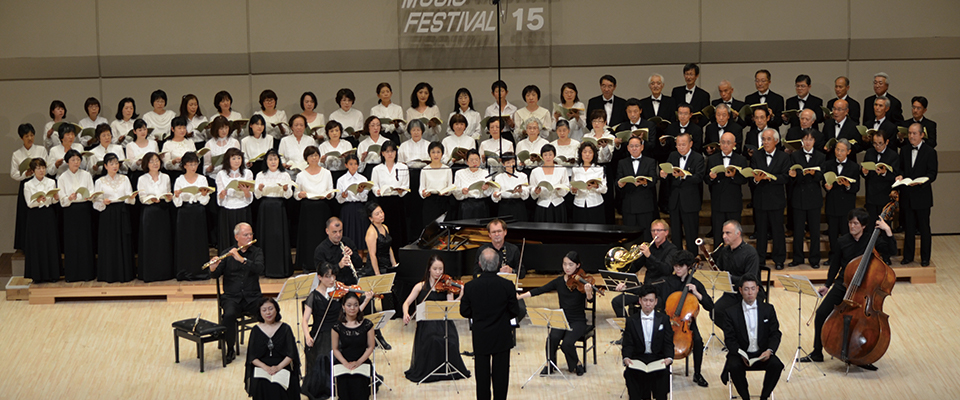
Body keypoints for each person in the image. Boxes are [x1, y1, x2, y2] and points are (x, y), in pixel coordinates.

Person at [801, 208, 896, 370]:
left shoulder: (872, 240)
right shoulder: (842, 241)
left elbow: (892, 251)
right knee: (821, 313)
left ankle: (863, 356)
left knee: (863, 322)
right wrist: (827, 284)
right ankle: (817, 352)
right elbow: (836, 264)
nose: (852, 226)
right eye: (850, 223)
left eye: (855, 223)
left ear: (864, 226)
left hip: (865, 288)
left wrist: (887, 230)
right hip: (844, 284)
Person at [302, 262, 373, 399]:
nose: (332, 280)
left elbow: (352, 313)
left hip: (340, 330)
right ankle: (326, 387)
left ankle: (349, 383)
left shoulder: (339, 294)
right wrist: (307, 336)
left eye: (333, 276)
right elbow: (305, 320)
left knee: (351, 349)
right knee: (324, 356)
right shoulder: (313, 296)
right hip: (321, 332)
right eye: (328, 276)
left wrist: (366, 300)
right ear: (320, 277)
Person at [518, 251, 593, 376]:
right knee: (552, 338)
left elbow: (590, 300)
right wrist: (520, 296)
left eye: (570, 265)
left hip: (577, 320)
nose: (567, 268)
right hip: (561, 318)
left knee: (567, 344)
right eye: (565, 264)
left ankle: (577, 363)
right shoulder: (559, 281)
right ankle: (550, 365)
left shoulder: (582, 282)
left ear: (578, 265)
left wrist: (589, 292)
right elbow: (540, 290)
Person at [461, 248, 521, 400]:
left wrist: (477, 314)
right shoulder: (507, 285)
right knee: (501, 376)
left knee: (482, 376)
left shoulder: (470, 286)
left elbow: (464, 311)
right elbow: (515, 311)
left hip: (481, 336)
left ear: (480, 264)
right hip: (502, 336)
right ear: (499, 264)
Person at [402, 255, 471, 383]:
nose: (438, 272)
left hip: (443, 321)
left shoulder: (447, 287)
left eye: (441, 269)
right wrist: (406, 313)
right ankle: (429, 370)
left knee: (451, 340)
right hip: (427, 322)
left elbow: (450, 306)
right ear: (429, 269)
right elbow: (406, 303)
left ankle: (447, 368)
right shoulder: (420, 286)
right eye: (435, 269)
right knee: (433, 339)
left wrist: (460, 296)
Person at [719, 275, 783, 400]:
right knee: (734, 366)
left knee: (777, 365)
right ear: (740, 290)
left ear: (758, 289)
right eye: (746, 289)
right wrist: (741, 353)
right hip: (740, 354)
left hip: (762, 353)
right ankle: (745, 397)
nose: (750, 293)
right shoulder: (730, 312)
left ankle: (764, 396)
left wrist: (769, 351)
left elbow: (775, 333)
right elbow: (729, 339)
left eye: (753, 289)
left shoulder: (768, 309)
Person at [208, 222, 263, 364]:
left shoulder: (256, 252)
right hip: (232, 297)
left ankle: (265, 346)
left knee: (269, 310)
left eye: (251, 234)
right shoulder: (227, 253)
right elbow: (215, 275)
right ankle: (230, 348)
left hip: (252, 297)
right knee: (229, 315)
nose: (249, 237)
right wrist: (213, 268)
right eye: (246, 235)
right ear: (236, 237)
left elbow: (259, 269)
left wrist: (242, 259)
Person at [658, 250, 713, 387]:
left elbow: (710, 306)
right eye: (675, 266)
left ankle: (697, 374)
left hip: (686, 323)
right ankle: (662, 373)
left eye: (680, 266)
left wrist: (696, 293)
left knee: (698, 341)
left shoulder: (695, 283)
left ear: (688, 266)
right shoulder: (667, 281)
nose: (677, 269)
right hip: (668, 320)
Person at [611, 219, 677, 318]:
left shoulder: (672, 249)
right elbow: (635, 268)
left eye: (658, 230)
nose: (655, 233)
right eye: (653, 231)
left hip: (660, 290)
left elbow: (667, 269)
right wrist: (625, 263)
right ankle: (629, 328)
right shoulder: (649, 247)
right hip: (645, 289)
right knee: (616, 301)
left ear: (666, 232)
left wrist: (649, 256)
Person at [622, 285, 673, 400]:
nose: (648, 304)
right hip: (638, 358)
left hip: (658, 358)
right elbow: (628, 343)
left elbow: (668, 342)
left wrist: (669, 358)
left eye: (651, 300)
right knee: (630, 374)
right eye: (645, 300)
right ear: (640, 301)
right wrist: (626, 358)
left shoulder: (664, 319)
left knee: (663, 376)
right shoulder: (631, 320)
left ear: (656, 302)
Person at [244, 297, 301, 400]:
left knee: (279, 386)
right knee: (262, 385)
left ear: (276, 310)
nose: (268, 313)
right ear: (260, 313)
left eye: (271, 308)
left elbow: (291, 354)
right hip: (262, 367)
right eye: (264, 310)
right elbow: (252, 357)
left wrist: (278, 367)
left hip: (282, 365)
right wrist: (266, 368)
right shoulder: (256, 330)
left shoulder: (285, 328)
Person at [897, 123, 937, 266]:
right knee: (909, 227)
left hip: (922, 195)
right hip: (907, 195)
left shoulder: (930, 151)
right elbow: (901, 168)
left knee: (924, 228)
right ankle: (908, 256)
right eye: (909, 133)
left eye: (914, 134)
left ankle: (925, 258)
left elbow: (932, 173)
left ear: (922, 135)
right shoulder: (904, 150)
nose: (911, 136)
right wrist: (900, 176)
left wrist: (921, 182)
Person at [93, 153, 137, 283]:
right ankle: (109, 274)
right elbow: (95, 202)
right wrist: (103, 203)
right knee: (109, 242)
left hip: (122, 211)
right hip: (108, 213)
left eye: (116, 163)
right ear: (105, 166)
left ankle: (125, 273)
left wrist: (131, 198)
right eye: (111, 163)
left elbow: (130, 198)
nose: (114, 166)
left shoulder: (124, 178)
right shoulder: (99, 181)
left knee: (123, 241)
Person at [750, 129, 789, 270]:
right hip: (760, 199)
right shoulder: (756, 155)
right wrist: (756, 179)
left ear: (776, 141)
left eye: (768, 139)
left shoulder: (783, 157)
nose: (765, 142)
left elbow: (786, 177)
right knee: (761, 232)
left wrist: (771, 178)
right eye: (763, 139)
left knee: (778, 231)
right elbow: (752, 175)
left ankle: (779, 259)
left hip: (776, 200)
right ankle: (760, 260)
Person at [788, 131, 826, 268]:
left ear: (814, 141)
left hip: (814, 197)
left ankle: (814, 259)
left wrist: (814, 174)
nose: (808, 142)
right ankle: (797, 258)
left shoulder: (821, 156)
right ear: (802, 141)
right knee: (798, 231)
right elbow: (792, 175)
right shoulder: (795, 155)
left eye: (810, 139)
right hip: (798, 196)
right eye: (805, 139)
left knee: (814, 231)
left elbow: (821, 176)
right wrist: (797, 175)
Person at [172, 152, 213, 281]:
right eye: (190, 164)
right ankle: (185, 271)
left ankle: (200, 272)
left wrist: (204, 194)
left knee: (199, 241)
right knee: (185, 242)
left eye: (195, 164)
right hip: (184, 212)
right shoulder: (179, 179)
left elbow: (205, 200)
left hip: (198, 211)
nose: (193, 167)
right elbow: (176, 203)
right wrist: (177, 195)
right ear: (184, 165)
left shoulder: (202, 178)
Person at [660, 132, 704, 251]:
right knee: (675, 235)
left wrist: (684, 176)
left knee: (691, 234)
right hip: (675, 201)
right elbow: (668, 176)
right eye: (678, 145)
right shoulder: (673, 156)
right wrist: (663, 175)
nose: (680, 147)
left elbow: (699, 178)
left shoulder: (698, 157)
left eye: (683, 144)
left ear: (690, 144)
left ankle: (692, 260)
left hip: (690, 202)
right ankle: (677, 261)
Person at [57, 149, 96, 282]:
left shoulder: (86, 175)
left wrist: (89, 196)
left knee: (85, 240)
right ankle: (72, 274)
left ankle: (87, 274)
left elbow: (92, 191)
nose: (76, 162)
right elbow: (62, 200)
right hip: (70, 211)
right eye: (73, 160)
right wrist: (69, 198)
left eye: (78, 159)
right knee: (72, 241)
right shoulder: (62, 178)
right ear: (67, 162)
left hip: (84, 209)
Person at [255, 149, 294, 278]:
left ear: (279, 161)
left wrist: (285, 189)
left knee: (279, 237)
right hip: (265, 207)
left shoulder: (285, 175)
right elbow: (256, 196)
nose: (273, 162)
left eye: (275, 159)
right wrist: (259, 189)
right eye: (270, 159)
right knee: (266, 237)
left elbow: (289, 196)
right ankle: (265, 269)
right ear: (266, 161)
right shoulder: (261, 175)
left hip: (279, 207)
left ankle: (280, 269)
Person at [295, 146, 335, 272]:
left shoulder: (326, 172)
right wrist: (299, 195)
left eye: (316, 155)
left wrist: (329, 194)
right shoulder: (301, 175)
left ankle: (324, 264)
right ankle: (308, 264)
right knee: (308, 237)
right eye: (311, 156)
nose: (314, 158)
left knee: (322, 235)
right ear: (306, 158)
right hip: (308, 209)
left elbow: (331, 190)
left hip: (322, 208)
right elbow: (296, 193)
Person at [712, 220, 760, 325]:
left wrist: (728, 277)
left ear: (738, 234)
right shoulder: (725, 251)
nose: (724, 236)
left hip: (748, 293)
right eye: (723, 233)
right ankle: (732, 335)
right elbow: (719, 272)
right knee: (715, 312)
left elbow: (750, 279)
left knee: (735, 314)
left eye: (728, 233)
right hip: (731, 292)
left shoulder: (750, 253)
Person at [705, 132, 749, 246]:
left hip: (733, 201)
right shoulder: (712, 159)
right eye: (723, 142)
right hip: (717, 201)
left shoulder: (741, 159)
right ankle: (719, 260)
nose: (725, 145)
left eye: (728, 143)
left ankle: (735, 259)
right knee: (718, 233)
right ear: (719, 143)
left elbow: (745, 180)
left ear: (734, 144)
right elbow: (706, 179)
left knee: (734, 233)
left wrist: (734, 176)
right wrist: (711, 177)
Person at [332, 292, 377, 400]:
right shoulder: (337, 326)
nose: (352, 308)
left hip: (362, 361)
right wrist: (345, 363)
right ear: (343, 307)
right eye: (349, 305)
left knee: (360, 386)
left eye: (356, 305)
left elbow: (371, 346)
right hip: (343, 362)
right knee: (344, 388)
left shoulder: (367, 324)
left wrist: (358, 362)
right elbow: (335, 349)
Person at [137, 152, 174, 282]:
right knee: (150, 242)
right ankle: (150, 273)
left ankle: (164, 273)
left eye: (157, 160)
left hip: (163, 211)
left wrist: (169, 198)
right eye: (152, 161)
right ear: (146, 164)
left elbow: (169, 194)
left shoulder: (166, 177)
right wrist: (150, 199)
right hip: (150, 211)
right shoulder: (142, 178)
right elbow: (141, 198)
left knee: (163, 242)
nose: (155, 163)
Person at [23, 158, 61, 283]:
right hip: (35, 216)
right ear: (33, 171)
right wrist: (38, 201)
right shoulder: (28, 184)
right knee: (37, 244)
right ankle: (38, 275)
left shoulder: (51, 182)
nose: (41, 170)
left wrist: (55, 198)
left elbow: (53, 201)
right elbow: (29, 203)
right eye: (38, 168)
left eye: (43, 168)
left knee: (50, 242)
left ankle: (53, 274)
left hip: (48, 214)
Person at [824, 140, 861, 266]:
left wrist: (848, 185)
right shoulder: (828, 164)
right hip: (832, 204)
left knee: (846, 233)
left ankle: (847, 258)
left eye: (842, 150)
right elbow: (825, 183)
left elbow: (857, 188)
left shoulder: (854, 167)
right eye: (837, 149)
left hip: (847, 207)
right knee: (832, 234)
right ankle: (833, 257)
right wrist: (826, 187)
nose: (839, 153)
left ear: (849, 152)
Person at [371, 140, 409, 254]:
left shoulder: (402, 167)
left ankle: (398, 256)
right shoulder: (377, 169)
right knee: (384, 231)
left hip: (397, 201)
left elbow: (406, 185)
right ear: (382, 153)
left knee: (398, 230)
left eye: (392, 151)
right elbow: (374, 186)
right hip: (383, 202)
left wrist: (400, 190)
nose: (390, 154)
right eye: (387, 151)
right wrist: (377, 191)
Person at [617, 136, 658, 234]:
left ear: (642, 147)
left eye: (636, 146)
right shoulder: (622, 163)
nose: (634, 148)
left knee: (646, 234)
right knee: (630, 234)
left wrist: (645, 182)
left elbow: (654, 179)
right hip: (628, 205)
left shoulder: (650, 161)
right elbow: (617, 181)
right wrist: (619, 184)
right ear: (627, 148)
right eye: (631, 146)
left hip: (645, 205)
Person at [216, 148, 253, 252]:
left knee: (244, 240)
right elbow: (220, 199)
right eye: (234, 158)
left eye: (239, 158)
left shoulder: (247, 173)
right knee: (229, 240)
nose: (237, 161)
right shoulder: (221, 174)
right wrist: (222, 195)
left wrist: (246, 192)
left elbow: (250, 197)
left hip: (242, 209)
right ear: (228, 160)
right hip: (227, 210)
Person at [861, 131, 899, 225]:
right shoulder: (869, 153)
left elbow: (896, 175)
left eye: (880, 143)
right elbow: (865, 172)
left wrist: (884, 173)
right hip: (871, 194)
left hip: (885, 195)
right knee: (871, 224)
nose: (877, 146)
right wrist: (864, 172)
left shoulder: (893, 155)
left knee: (885, 225)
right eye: (875, 143)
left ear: (887, 142)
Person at [315, 217, 364, 284]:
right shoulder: (321, 250)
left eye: (340, 231)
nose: (338, 235)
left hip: (352, 283)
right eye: (334, 232)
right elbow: (322, 274)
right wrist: (339, 265)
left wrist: (352, 255)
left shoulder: (348, 242)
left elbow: (359, 264)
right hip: (333, 286)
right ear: (327, 231)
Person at [336, 154, 371, 249]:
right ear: (346, 165)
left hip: (359, 208)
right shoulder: (341, 180)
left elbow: (365, 198)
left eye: (355, 164)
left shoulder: (362, 179)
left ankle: (360, 259)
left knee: (360, 235)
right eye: (351, 164)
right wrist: (343, 196)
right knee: (348, 234)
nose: (353, 166)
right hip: (347, 208)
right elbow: (338, 199)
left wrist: (360, 192)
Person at [529, 144, 569, 222]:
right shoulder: (535, 171)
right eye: (545, 155)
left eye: (550, 154)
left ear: (554, 155)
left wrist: (560, 189)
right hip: (542, 205)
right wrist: (536, 191)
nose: (548, 157)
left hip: (558, 204)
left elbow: (566, 186)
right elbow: (532, 188)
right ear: (542, 156)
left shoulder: (562, 169)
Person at [419, 141, 453, 226]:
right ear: (429, 154)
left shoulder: (447, 169)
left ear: (442, 154)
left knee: (443, 229)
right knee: (429, 229)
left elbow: (450, 188)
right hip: (430, 202)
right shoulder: (424, 170)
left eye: (438, 152)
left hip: (443, 202)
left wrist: (447, 192)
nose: (436, 155)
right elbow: (421, 187)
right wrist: (423, 193)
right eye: (433, 152)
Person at [571, 141, 606, 223]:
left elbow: (604, 189)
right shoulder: (575, 169)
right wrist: (574, 190)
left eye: (590, 152)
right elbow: (572, 187)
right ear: (581, 154)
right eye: (585, 152)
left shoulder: (599, 169)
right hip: (579, 203)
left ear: (594, 154)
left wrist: (595, 186)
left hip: (595, 203)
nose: (587, 154)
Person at [453, 150, 493, 219]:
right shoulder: (459, 173)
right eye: (471, 160)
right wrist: (462, 191)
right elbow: (455, 189)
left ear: (480, 161)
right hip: (466, 205)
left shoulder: (486, 173)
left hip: (481, 205)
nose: (474, 162)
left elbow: (490, 191)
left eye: (476, 160)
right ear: (467, 162)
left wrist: (487, 188)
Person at [491, 152, 529, 221]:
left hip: (518, 205)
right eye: (508, 163)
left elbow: (526, 195)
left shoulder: (522, 176)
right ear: (503, 164)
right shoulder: (499, 177)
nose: (511, 165)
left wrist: (521, 190)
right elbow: (495, 193)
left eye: (513, 162)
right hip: (504, 206)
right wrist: (495, 195)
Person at [364, 202, 397, 276]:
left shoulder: (385, 227)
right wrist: (377, 273)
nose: (381, 215)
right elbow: (372, 255)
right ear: (371, 218)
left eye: (381, 212)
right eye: (377, 214)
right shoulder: (371, 232)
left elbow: (389, 247)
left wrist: (394, 264)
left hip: (386, 264)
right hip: (376, 267)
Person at [161, 117, 197, 183]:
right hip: (174, 175)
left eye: (184, 128)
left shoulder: (190, 142)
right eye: (179, 128)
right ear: (172, 129)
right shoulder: (167, 144)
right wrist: (173, 161)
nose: (182, 130)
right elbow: (165, 165)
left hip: (190, 174)